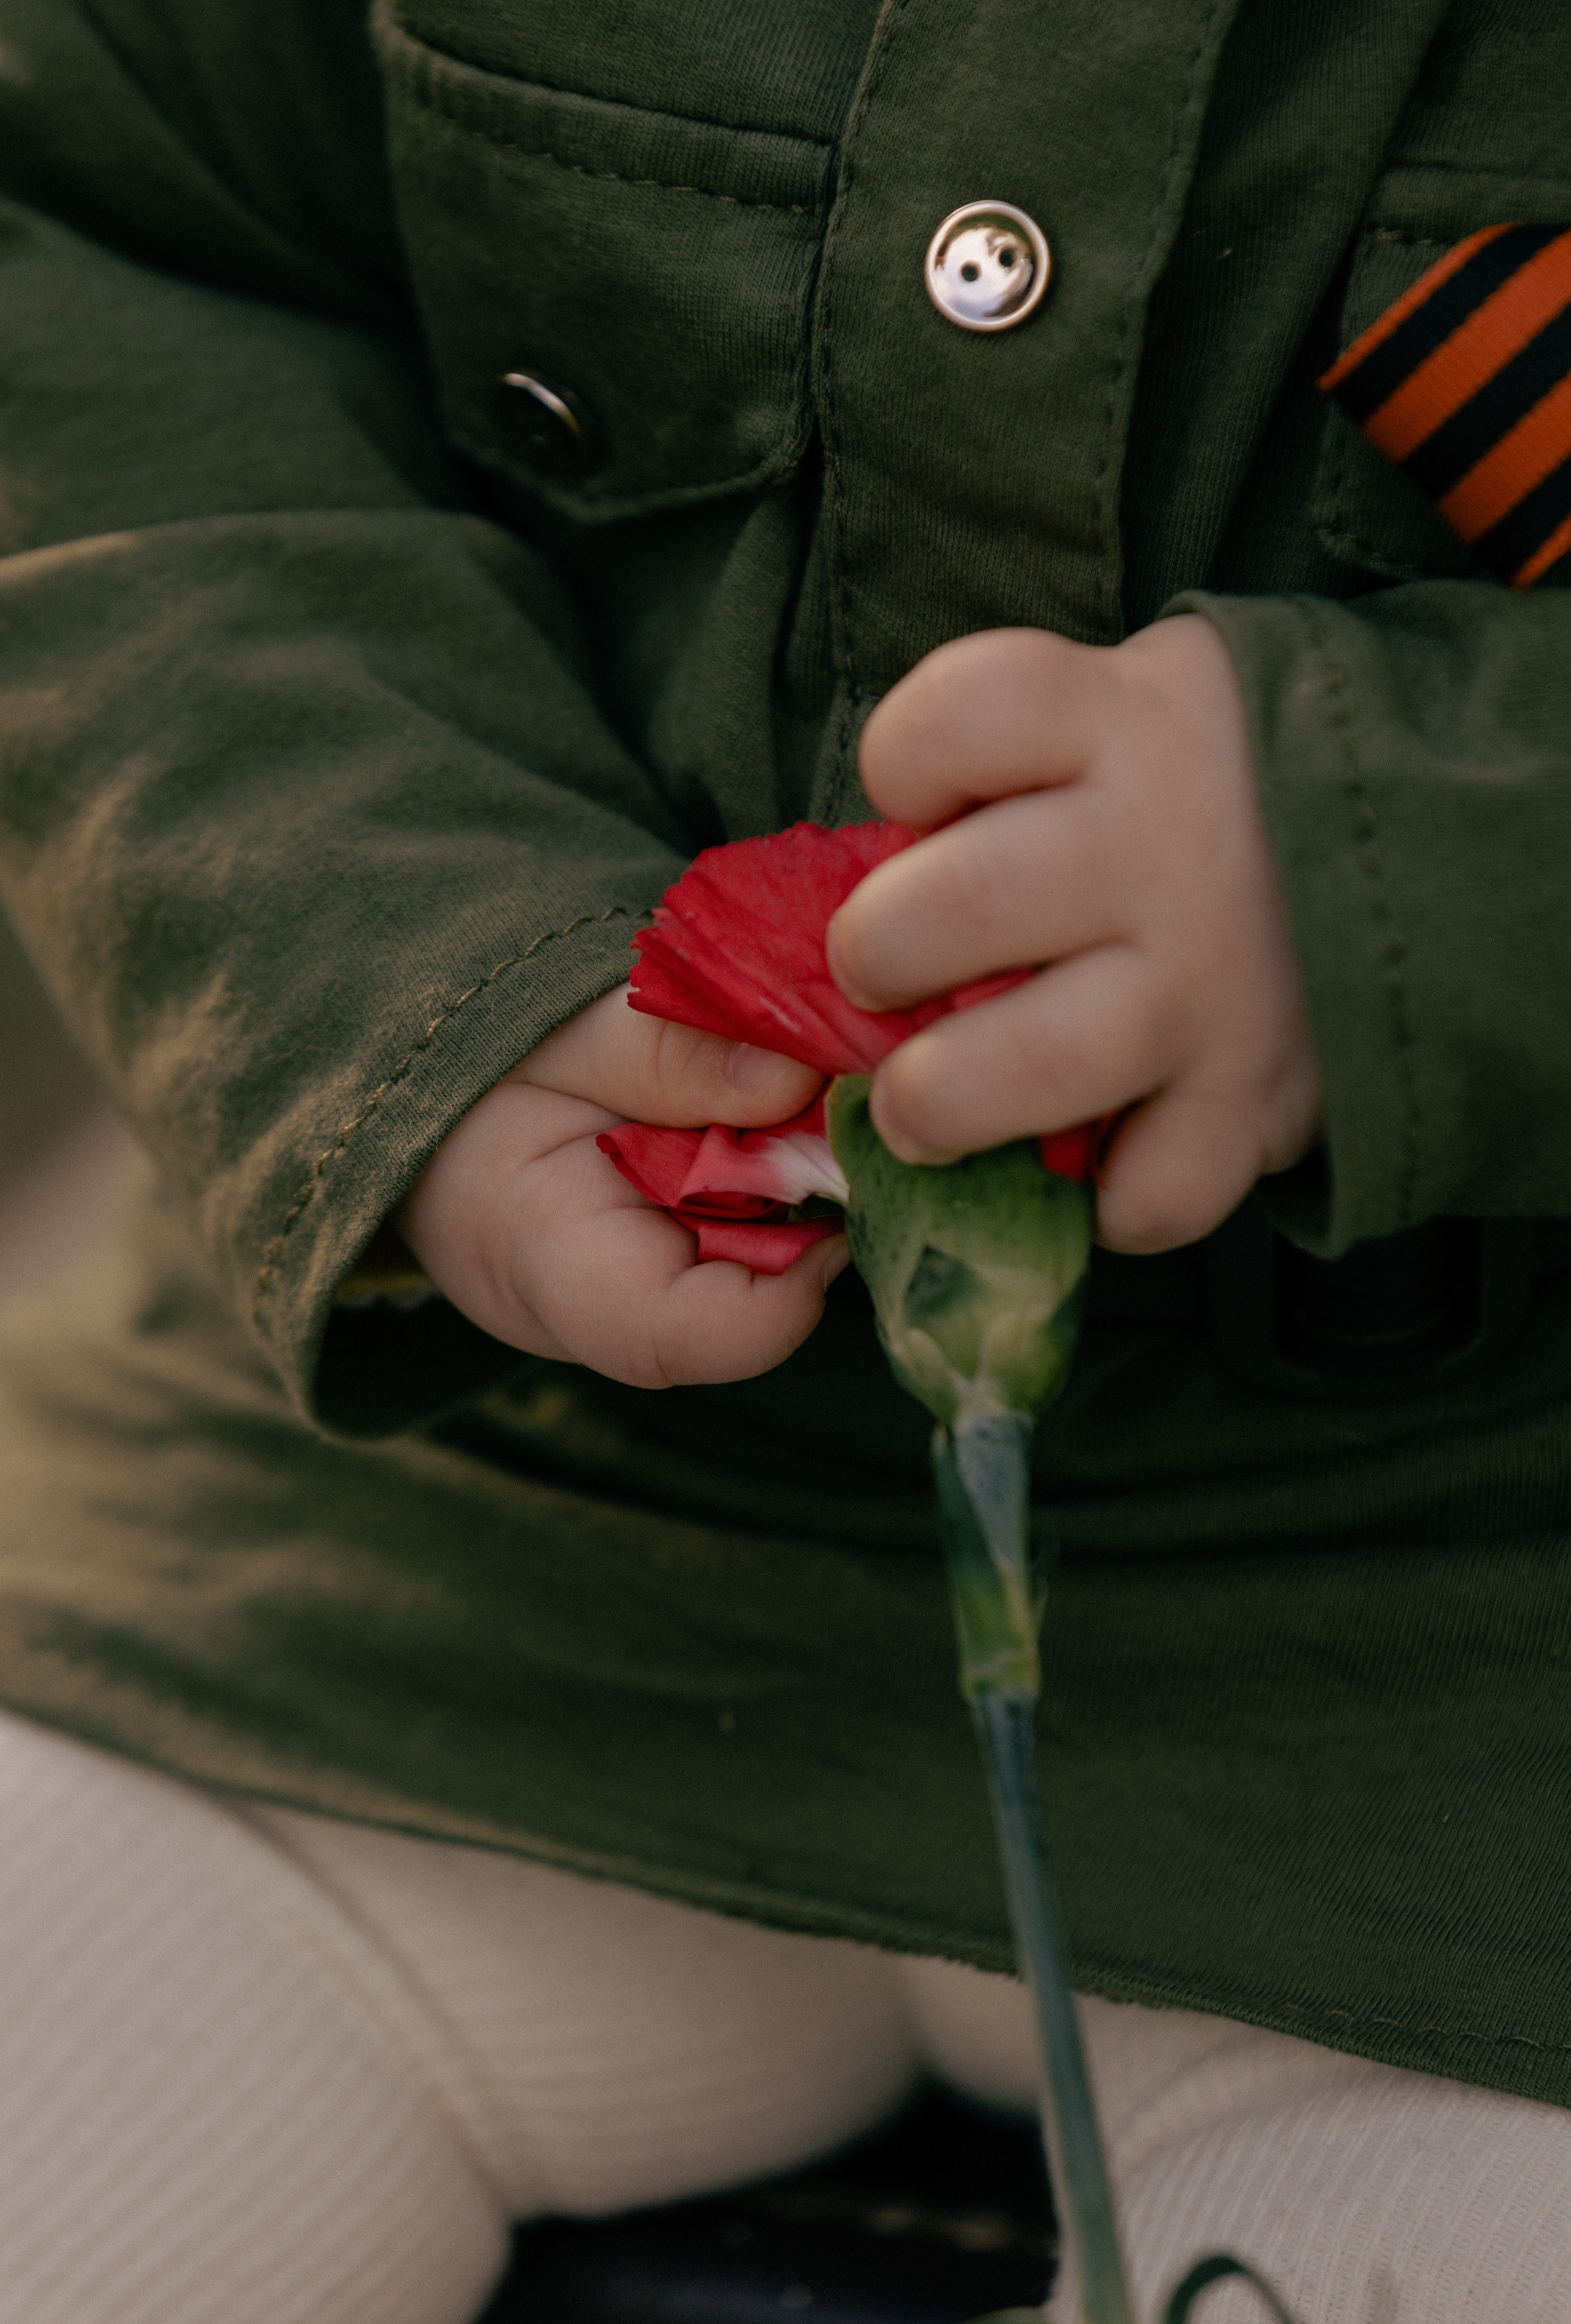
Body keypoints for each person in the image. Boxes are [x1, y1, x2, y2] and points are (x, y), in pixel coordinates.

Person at [2, 0, 1571, 2318]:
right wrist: (417, 960)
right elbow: (108, 247)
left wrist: (1414, 857)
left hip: (1466, 1720)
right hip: (444, 1561)